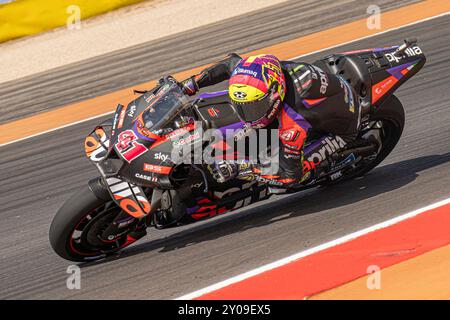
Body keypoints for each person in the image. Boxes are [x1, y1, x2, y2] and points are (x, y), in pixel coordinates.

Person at [179, 53, 362, 189]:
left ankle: (326, 162)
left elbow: (291, 175)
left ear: (275, 92)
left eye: (254, 107)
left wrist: (241, 167)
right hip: (324, 91)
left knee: (287, 183)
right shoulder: (261, 69)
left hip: (342, 128)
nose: (248, 114)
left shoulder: (293, 121)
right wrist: (190, 84)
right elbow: (229, 64)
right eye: (244, 106)